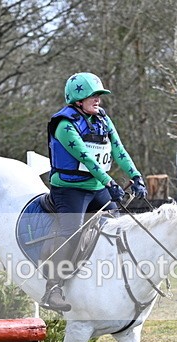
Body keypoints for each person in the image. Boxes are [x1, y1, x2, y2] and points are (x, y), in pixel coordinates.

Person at [42, 72, 147, 312]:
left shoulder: (102, 119)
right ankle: (53, 287)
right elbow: (87, 158)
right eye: (93, 96)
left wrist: (135, 175)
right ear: (78, 100)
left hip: (97, 187)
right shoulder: (64, 125)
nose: (98, 100)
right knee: (72, 233)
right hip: (70, 189)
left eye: (99, 95)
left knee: (117, 229)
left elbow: (119, 150)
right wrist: (110, 183)